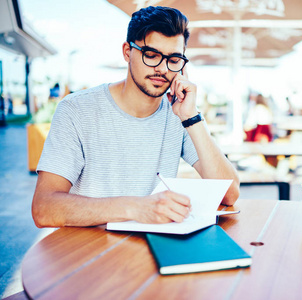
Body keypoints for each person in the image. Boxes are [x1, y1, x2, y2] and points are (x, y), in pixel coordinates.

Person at [32, 6, 240, 228]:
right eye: (151, 55)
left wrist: (191, 117)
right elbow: (44, 208)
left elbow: (229, 195)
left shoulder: (179, 113)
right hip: (89, 251)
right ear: (127, 52)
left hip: (155, 247)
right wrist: (137, 207)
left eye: (174, 59)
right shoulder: (76, 110)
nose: (162, 68)